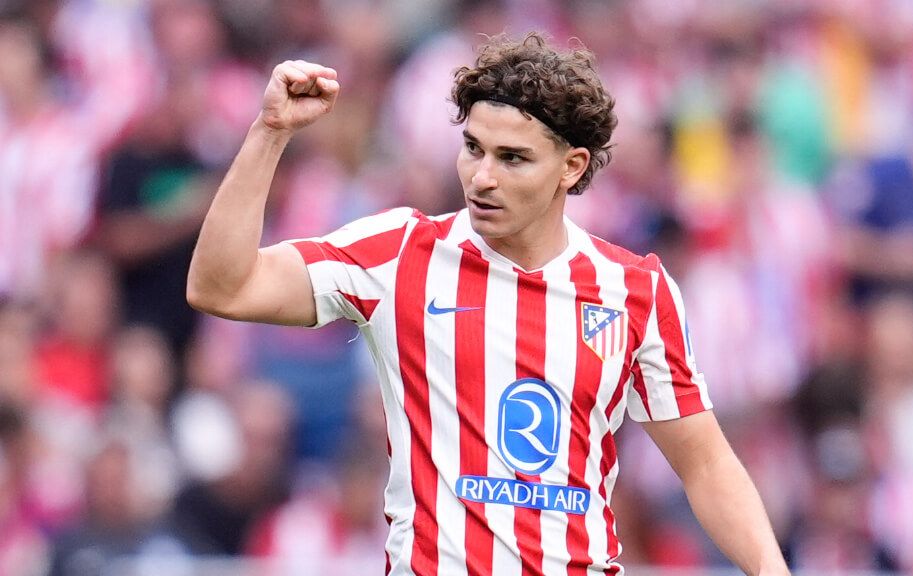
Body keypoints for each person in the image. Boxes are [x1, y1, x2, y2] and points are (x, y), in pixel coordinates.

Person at [187, 32, 788, 576]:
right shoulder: (399, 254)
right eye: (473, 149)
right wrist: (270, 133)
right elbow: (223, 287)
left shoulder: (635, 290)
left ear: (570, 167)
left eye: (512, 158)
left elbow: (705, 465)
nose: (482, 177)